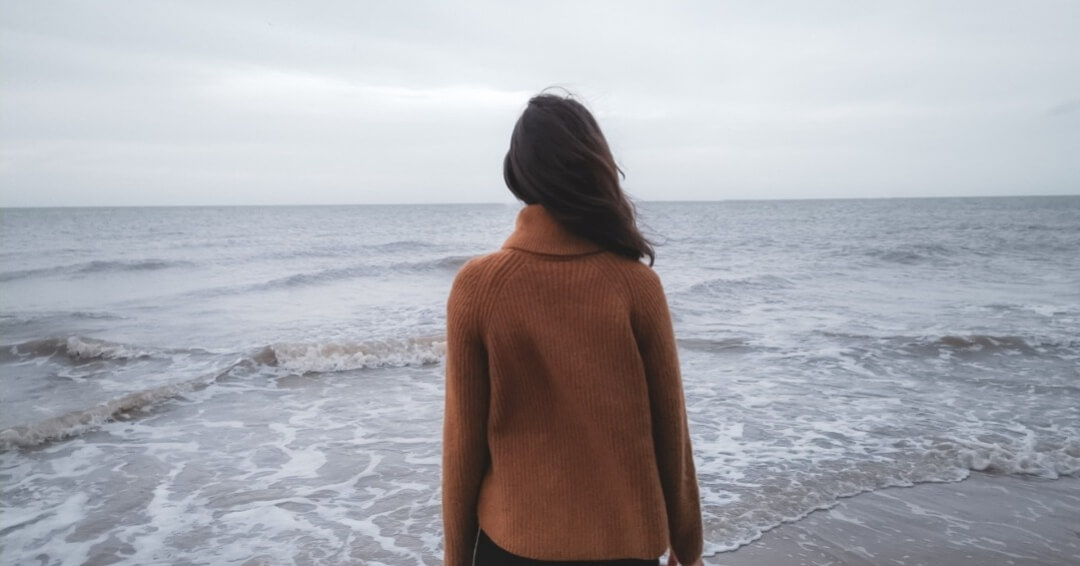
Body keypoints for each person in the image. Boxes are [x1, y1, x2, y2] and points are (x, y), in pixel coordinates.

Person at [442, 92, 704, 566]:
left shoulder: (477, 288)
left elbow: (463, 446)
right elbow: (672, 434)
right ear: (595, 169)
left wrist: (456, 560)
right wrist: (689, 551)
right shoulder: (636, 285)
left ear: (517, 174)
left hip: (512, 545)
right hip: (626, 546)